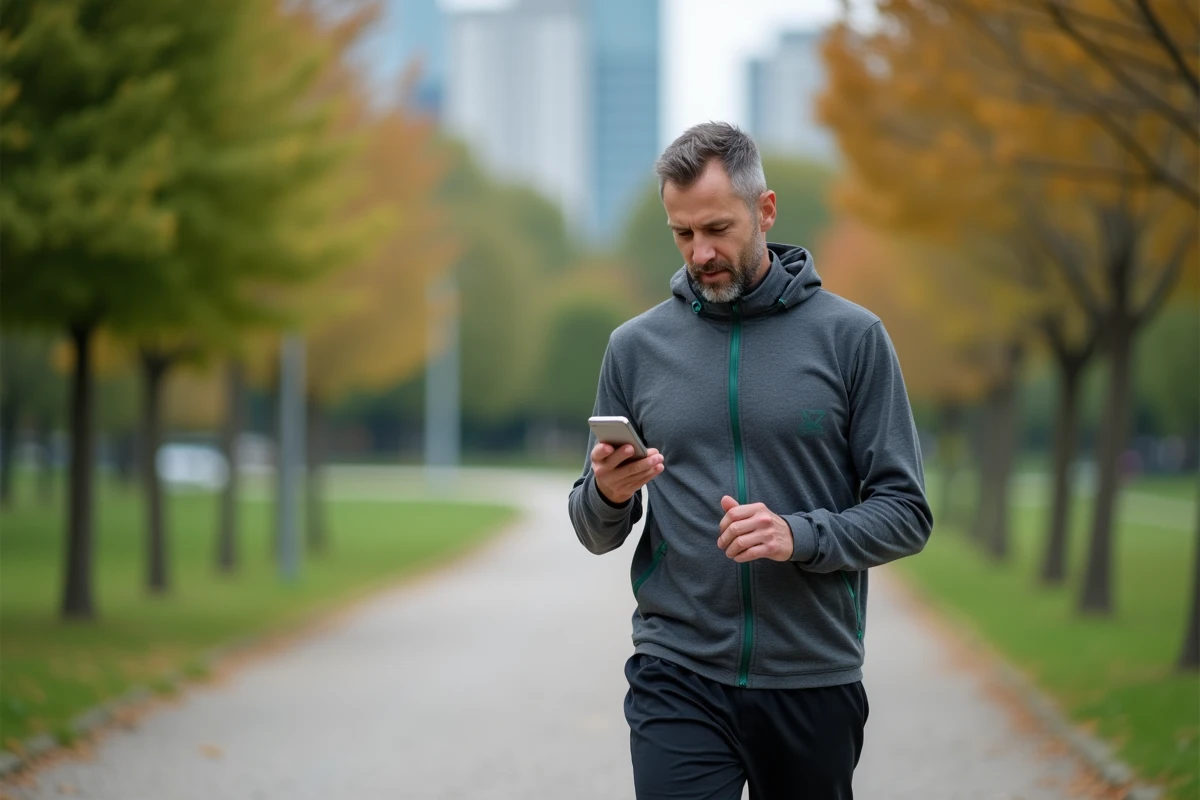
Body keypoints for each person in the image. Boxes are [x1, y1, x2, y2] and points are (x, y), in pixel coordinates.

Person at [566, 122, 934, 800]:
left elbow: (907, 513)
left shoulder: (853, 339)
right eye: (683, 234)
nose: (700, 253)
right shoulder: (635, 348)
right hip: (676, 669)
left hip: (811, 675)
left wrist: (800, 535)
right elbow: (595, 530)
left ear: (764, 211)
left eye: (717, 229)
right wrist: (609, 495)